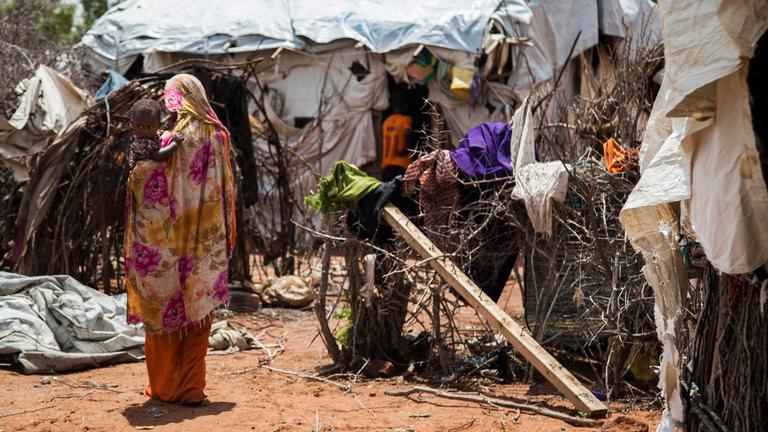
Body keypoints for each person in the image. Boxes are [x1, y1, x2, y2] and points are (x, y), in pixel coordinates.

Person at [124, 74, 236, 406]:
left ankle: (166, 388)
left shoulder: (170, 138)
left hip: (165, 244)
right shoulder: (217, 135)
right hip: (204, 243)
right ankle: (191, 390)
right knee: (198, 315)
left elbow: (145, 178)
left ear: (174, 99)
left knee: (164, 314)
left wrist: (136, 175)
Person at [128, 99, 183, 169]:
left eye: (150, 127)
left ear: (158, 126)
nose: (145, 131)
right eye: (140, 126)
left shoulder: (154, 134)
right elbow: (158, 156)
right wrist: (174, 143)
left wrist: (170, 123)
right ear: (132, 124)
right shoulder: (140, 144)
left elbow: (162, 130)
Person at [380, 91, 414, 181]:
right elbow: (407, 132)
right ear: (405, 105)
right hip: (401, 163)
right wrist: (406, 149)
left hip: (387, 164)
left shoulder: (386, 122)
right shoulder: (405, 119)